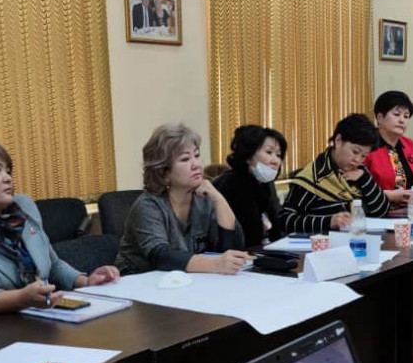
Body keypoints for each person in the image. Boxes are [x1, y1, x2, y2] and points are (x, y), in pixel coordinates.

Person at [0, 140, 119, 317]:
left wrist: (86, 282)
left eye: (8, 171)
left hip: (45, 319)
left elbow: (52, 264)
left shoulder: (23, 207)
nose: (8, 178)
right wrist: (20, 299)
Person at [115, 124, 247, 275]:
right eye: (185, 159)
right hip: (138, 281)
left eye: (196, 155)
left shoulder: (204, 198)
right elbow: (161, 257)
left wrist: (219, 199)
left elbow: (230, 251)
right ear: (163, 172)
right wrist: (215, 264)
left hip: (187, 280)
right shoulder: (148, 206)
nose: (196, 165)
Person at [279, 114, 391, 233]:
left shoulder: (359, 171)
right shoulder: (312, 178)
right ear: (338, 141)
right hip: (325, 242)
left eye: (364, 156)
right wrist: (328, 222)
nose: (358, 160)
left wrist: (365, 179)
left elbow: (382, 212)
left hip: (361, 238)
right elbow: (284, 220)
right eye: (355, 152)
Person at [213, 125, 288, 248]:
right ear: (248, 156)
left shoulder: (265, 183)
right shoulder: (230, 184)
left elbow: (275, 228)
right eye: (269, 152)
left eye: (278, 155)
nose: (275, 160)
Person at [364, 90, 413, 202]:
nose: (402, 120)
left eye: (406, 116)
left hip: (412, 207)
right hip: (380, 208)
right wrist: (389, 195)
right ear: (380, 118)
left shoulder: (409, 144)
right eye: (396, 114)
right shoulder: (366, 145)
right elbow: (359, 187)